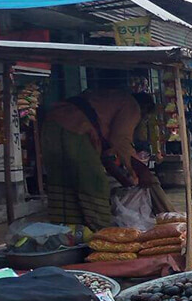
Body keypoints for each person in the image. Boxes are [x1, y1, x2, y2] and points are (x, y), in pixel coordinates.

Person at [43, 89, 160, 229]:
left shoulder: (109, 105)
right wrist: (140, 170)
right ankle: (101, 230)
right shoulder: (131, 105)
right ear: (144, 110)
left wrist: (124, 180)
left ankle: (67, 230)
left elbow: (105, 157)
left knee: (63, 182)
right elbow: (120, 139)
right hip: (75, 127)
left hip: (51, 126)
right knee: (95, 183)